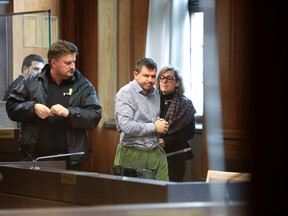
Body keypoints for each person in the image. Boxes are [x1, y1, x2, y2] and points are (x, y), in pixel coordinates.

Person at [5, 40, 102, 170]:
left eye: (74, 62)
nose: (73, 66)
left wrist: (69, 113)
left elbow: (95, 115)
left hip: (71, 159)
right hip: (34, 157)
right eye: (68, 63)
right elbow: (11, 107)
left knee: (68, 191)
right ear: (54, 63)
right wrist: (33, 108)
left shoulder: (83, 86)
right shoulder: (31, 82)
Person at [114, 57, 169, 181]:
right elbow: (126, 126)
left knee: (162, 195)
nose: (150, 80)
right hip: (132, 152)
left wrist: (161, 126)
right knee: (132, 197)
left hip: (156, 151)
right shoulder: (125, 93)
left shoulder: (155, 93)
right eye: (146, 75)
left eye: (153, 76)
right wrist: (154, 127)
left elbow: (154, 119)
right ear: (136, 74)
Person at [156, 65, 196, 182]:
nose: (164, 81)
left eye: (169, 78)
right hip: (151, 153)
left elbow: (189, 132)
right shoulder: (150, 100)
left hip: (175, 155)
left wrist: (167, 141)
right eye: (162, 77)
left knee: (172, 191)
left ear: (177, 83)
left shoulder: (185, 104)